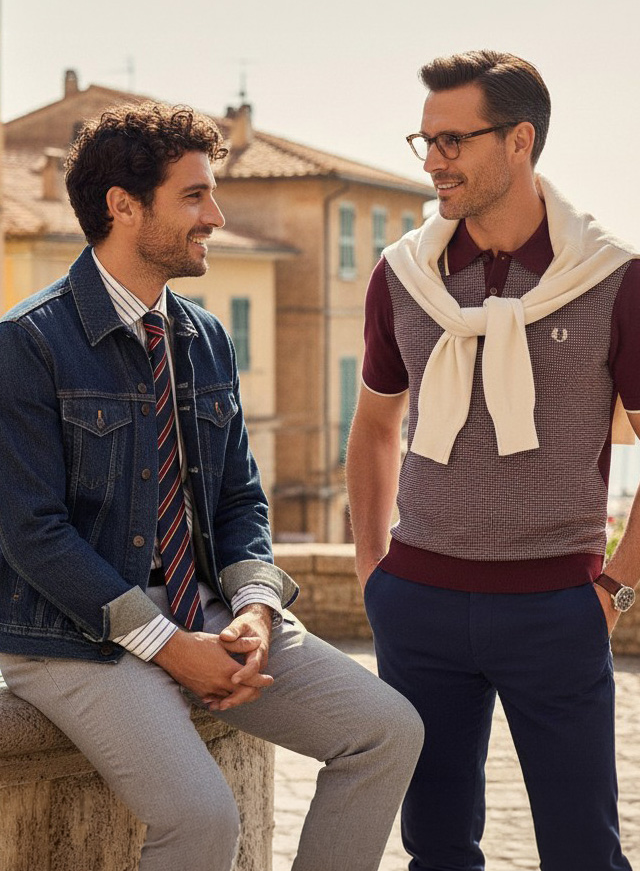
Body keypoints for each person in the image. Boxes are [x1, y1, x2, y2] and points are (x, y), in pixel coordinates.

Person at [0, 101, 424, 871]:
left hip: (211, 609)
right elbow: (32, 533)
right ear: (122, 207)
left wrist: (257, 612)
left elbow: (239, 503)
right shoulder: (27, 344)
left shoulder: (204, 336)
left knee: (388, 731)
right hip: (74, 635)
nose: (216, 216)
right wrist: (170, 647)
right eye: (194, 196)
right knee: (201, 821)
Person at [346, 49, 640, 871]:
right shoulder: (404, 276)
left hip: (558, 606)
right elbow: (373, 427)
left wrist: (613, 586)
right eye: (426, 140)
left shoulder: (614, 278)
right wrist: (376, 568)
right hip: (419, 605)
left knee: (585, 851)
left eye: (453, 141)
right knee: (435, 848)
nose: (433, 161)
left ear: (520, 141)